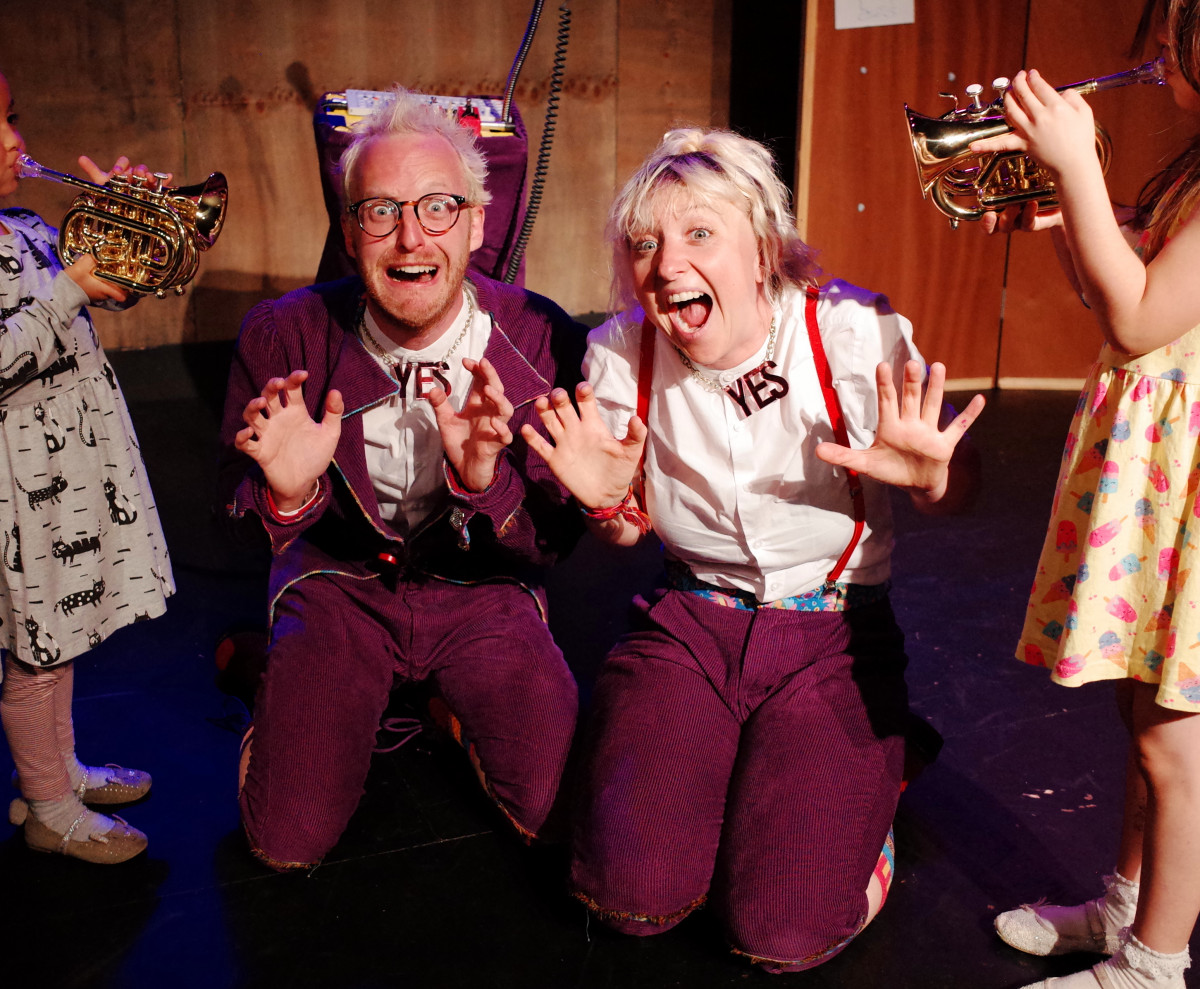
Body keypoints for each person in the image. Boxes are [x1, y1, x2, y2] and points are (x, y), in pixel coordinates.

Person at [520, 127, 985, 971]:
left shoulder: (849, 333)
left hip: (832, 635)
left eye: (699, 233)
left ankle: (875, 797)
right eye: (645, 244)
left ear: (764, 248)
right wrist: (604, 503)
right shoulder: (622, 352)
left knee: (782, 931)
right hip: (689, 621)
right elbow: (626, 530)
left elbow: (963, 482)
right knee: (629, 898)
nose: (667, 264)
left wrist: (933, 479)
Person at [218, 87, 585, 871]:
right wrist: (287, 497)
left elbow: (553, 541)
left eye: (438, 207)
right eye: (381, 211)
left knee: (561, 821)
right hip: (341, 587)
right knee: (284, 842)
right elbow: (232, 519)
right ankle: (272, 681)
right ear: (351, 233)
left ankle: (441, 695)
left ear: (477, 224)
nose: (410, 236)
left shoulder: (541, 337)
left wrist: (486, 483)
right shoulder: (283, 334)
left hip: (482, 591)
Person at [971, 1, 1200, 986]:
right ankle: (1126, 907)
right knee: (1144, 723)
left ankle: (1155, 963)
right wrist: (1071, 216)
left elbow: (1142, 319)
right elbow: (1115, 296)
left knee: (1176, 745)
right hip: (1165, 479)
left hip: (1189, 491)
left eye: (1182, 26)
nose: (1159, 49)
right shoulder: (1192, 168)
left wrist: (1076, 167)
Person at [0, 68, 174, 863]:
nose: (15, 141)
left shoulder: (24, 226)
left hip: (66, 467)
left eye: (11, 116)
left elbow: (110, 295)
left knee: (60, 635)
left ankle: (60, 770)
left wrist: (129, 231)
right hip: (20, 482)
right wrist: (69, 287)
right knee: (35, 651)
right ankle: (47, 806)